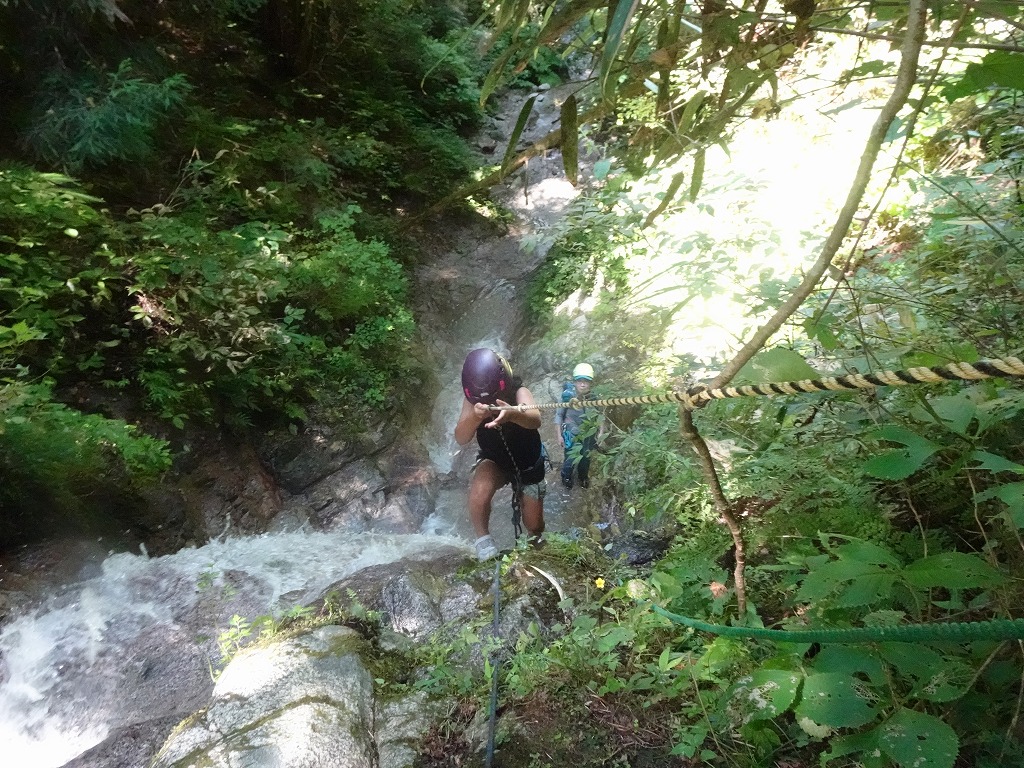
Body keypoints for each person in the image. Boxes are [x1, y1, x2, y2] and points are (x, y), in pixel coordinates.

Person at [455, 348, 547, 561]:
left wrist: (513, 414)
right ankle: (483, 540)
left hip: (528, 463)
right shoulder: (472, 402)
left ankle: (535, 541)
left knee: (534, 524)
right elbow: (461, 437)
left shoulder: (519, 392)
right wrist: (475, 417)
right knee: (480, 489)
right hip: (495, 460)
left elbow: (535, 419)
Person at [554, 362, 604, 490]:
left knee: (586, 457)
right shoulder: (567, 398)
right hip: (571, 433)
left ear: (590, 383)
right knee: (570, 458)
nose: (582, 384)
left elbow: (600, 415)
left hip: (588, 434)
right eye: (580, 381)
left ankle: (583, 477)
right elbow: (559, 415)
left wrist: (601, 432)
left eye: (586, 381)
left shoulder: (594, 398)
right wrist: (559, 436)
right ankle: (566, 476)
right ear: (575, 382)